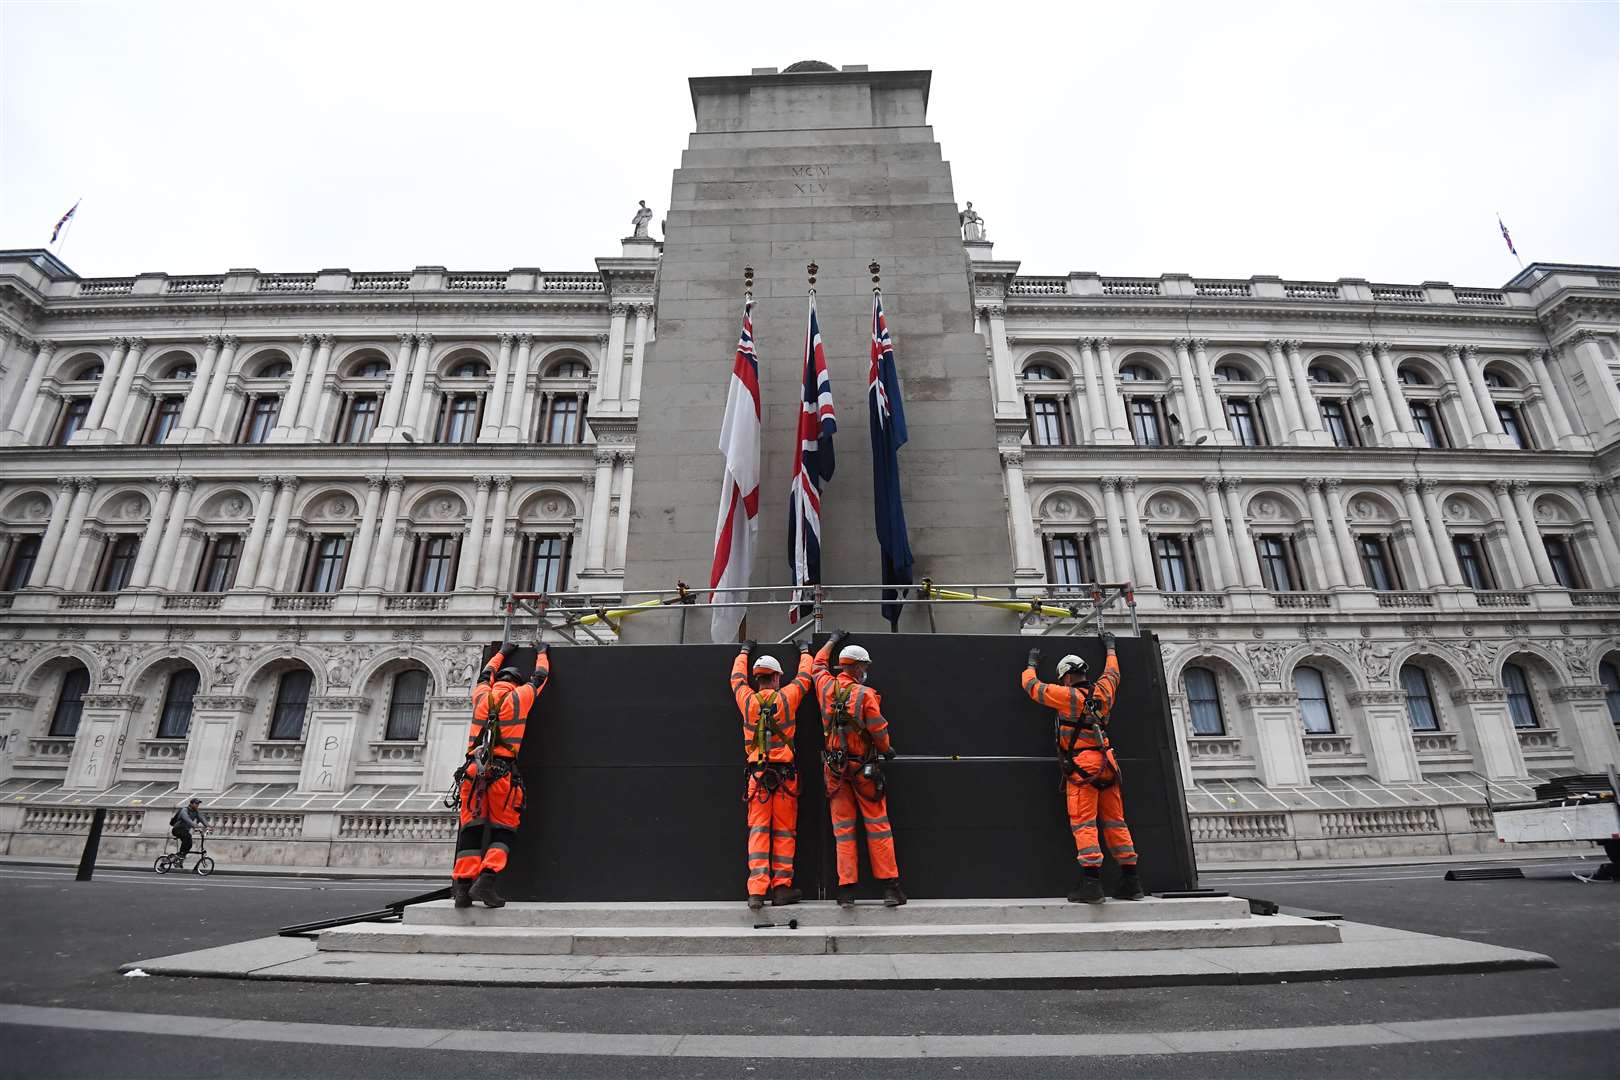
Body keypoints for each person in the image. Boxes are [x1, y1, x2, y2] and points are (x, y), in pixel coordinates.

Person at [1021, 632, 1143, 904]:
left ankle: (1091, 884)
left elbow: (1032, 686)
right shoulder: (1103, 692)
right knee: (1115, 822)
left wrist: (1031, 663)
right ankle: (1131, 882)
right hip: (1108, 764)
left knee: (1084, 823)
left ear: (1065, 677)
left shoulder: (1067, 696)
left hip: (1083, 767)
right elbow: (1113, 673)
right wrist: (1110, 648)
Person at [450, 640, 548, 908]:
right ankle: (486, 881)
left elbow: (484, 674)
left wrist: (502, 653)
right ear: (516, 682)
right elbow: (540, 677)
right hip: (502, 774)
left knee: (471, 829)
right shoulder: (520, 697)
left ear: (498, 680)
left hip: (472, 772)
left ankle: (462, 888)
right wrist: (541, 653)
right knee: (504, 830)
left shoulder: (482, 694)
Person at [812, 630, 904, 907]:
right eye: (863, 666)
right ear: (856, 667)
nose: (865, 671)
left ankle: (846, 891)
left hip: (835, 770)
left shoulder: (825, 687)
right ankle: (890, 888)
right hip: (863, 769)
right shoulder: (865, 695)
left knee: (843, 830)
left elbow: (817, 666)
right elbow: (878, 728)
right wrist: (886, 749)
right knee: (878, 827)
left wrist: (831, 641)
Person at [731, 640, 815, 910]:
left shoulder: (747, 700)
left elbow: (735, 679)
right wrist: (804, 652)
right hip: (784, 778)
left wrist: (743, 652)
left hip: (758, 780)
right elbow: (805, 677)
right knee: (784, 833)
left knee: (758, 832)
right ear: (777, 677)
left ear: (757, 679)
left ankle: (756, 892)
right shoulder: (787, 697)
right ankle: (781, 889)